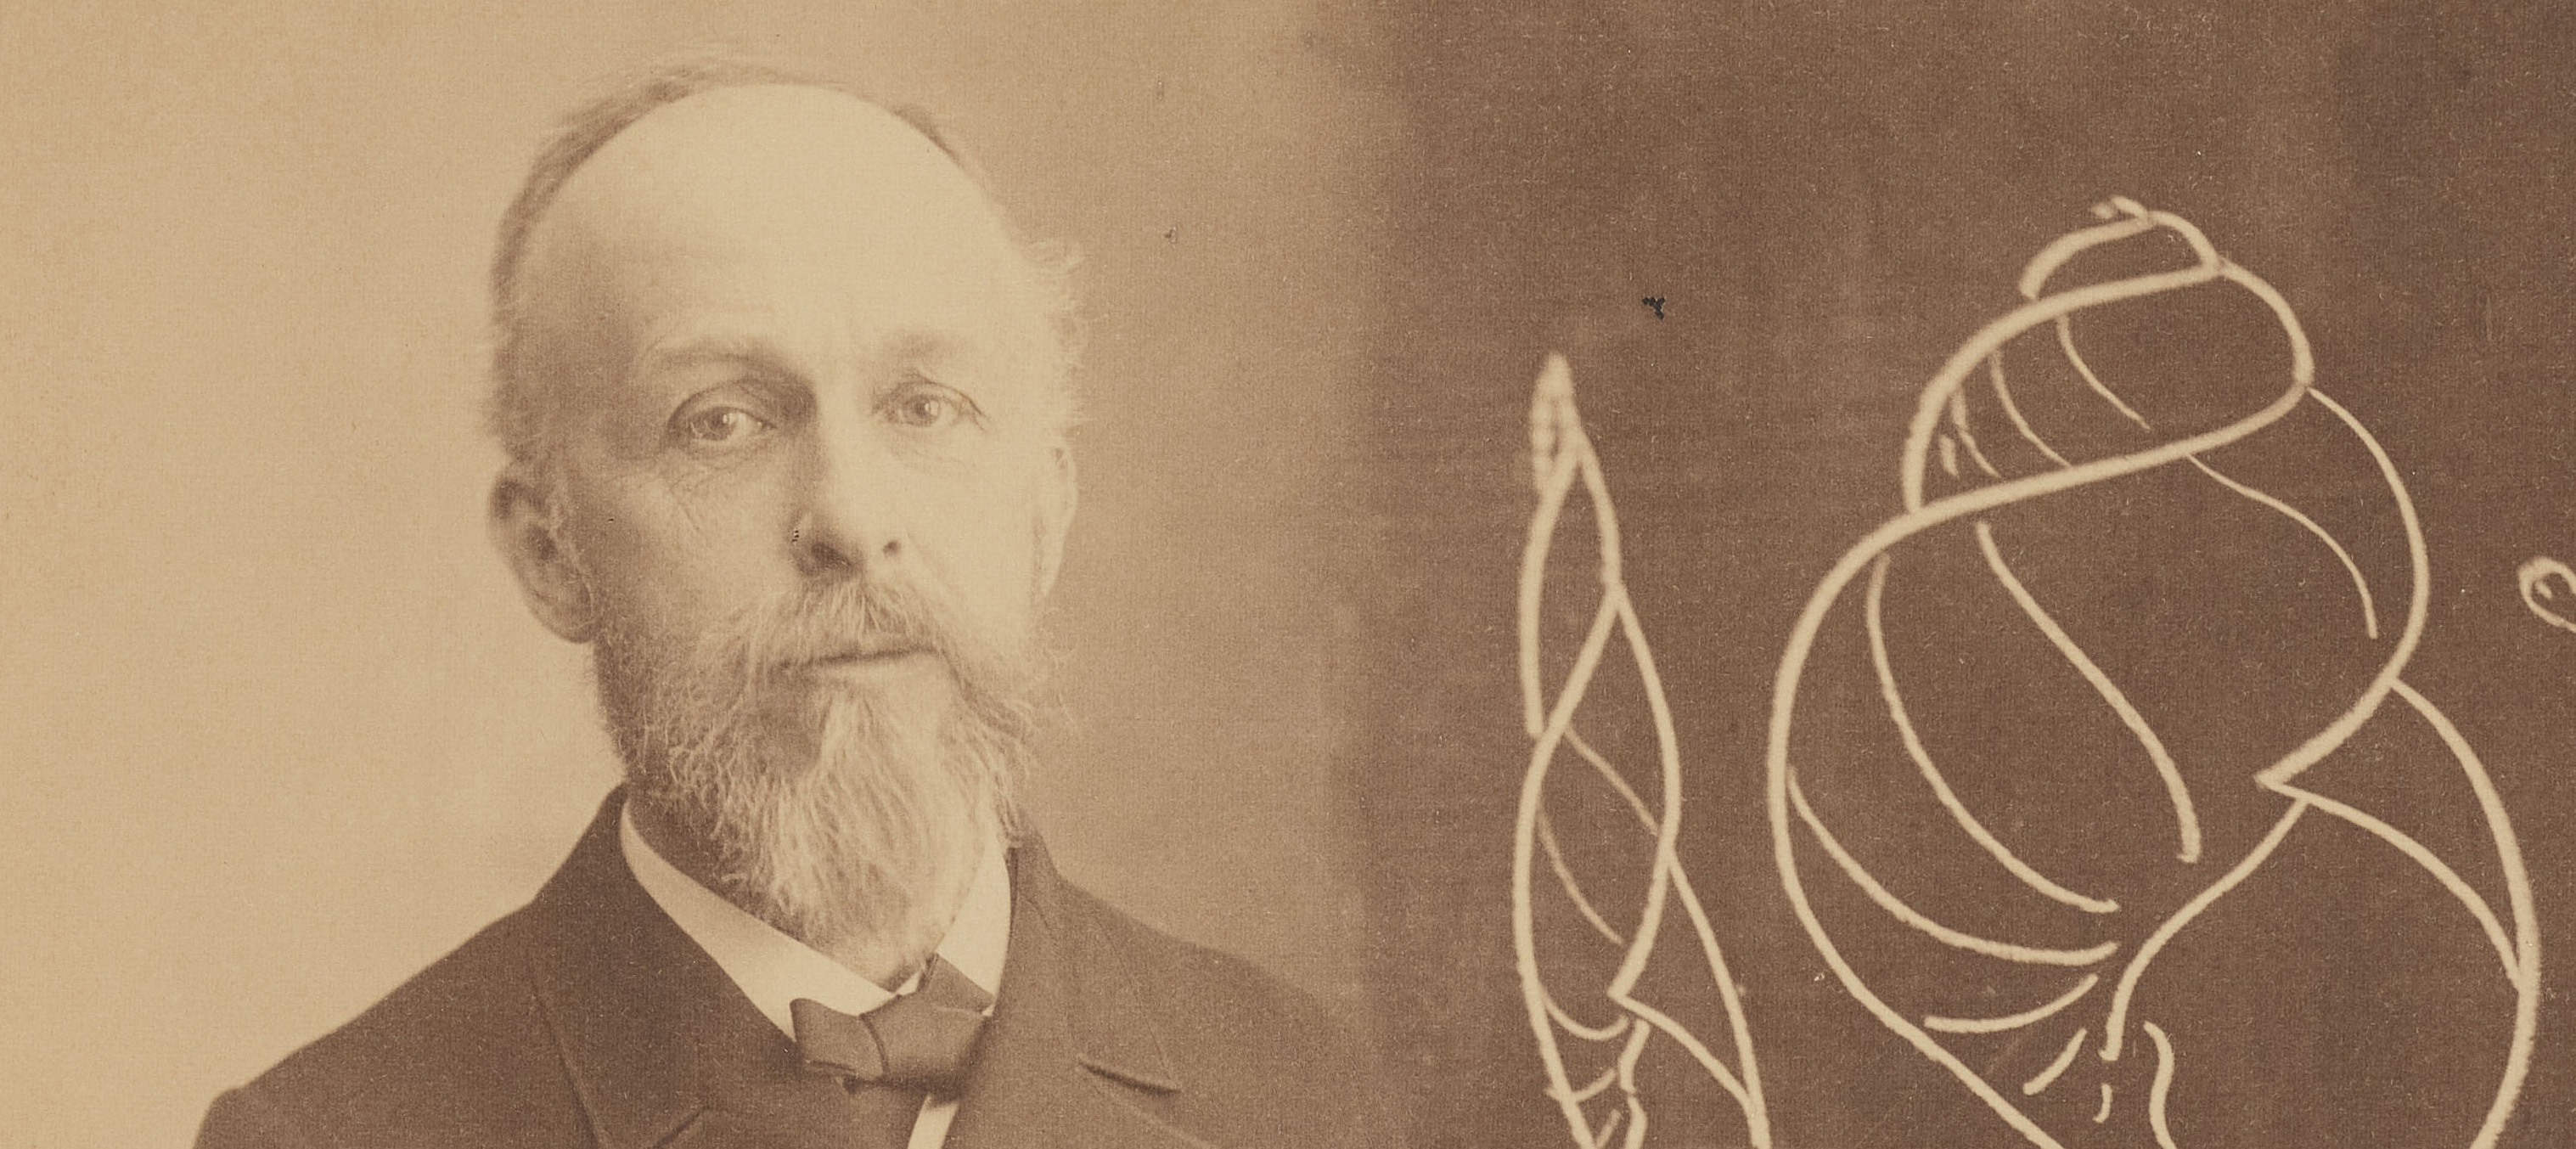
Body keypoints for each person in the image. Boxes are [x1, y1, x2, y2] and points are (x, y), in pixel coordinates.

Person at [195, 58, 1394, 1149]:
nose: (850, 517)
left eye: (924, 406)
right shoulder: (329, 1133)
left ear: (1045, 512)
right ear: (550, 551)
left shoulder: (1306, 1097)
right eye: (724, 421)